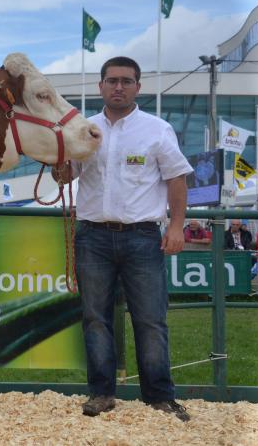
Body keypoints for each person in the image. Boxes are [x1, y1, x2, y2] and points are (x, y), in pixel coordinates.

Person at [53, 56, 191, 421]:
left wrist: (176, 226)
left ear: (137, 87)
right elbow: (65, 176)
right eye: (112, 80)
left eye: (126, 81)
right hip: (92, 236)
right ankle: (101, 394)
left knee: (150, 319)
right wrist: (57, 158)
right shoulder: (84, 129)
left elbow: (177, 179)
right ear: (100, 86)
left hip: (142, 236)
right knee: (95, 318)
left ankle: (159, 397)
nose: (119, 87)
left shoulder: (157, 129)